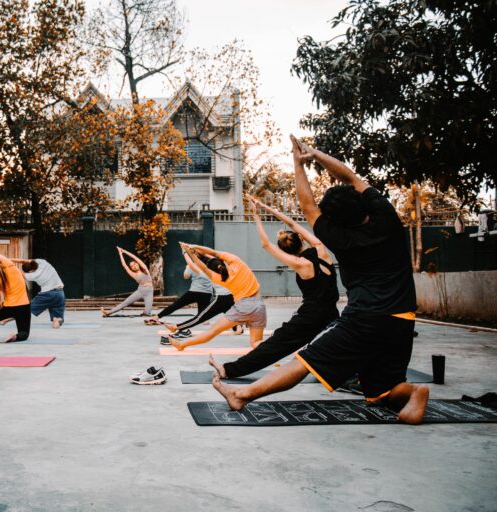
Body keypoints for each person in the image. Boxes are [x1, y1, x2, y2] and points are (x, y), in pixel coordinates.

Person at [212, 135, 428, 425]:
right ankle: (413, 392)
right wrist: (313, 155)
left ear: (337, 220)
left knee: (306, 361)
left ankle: (243, 395)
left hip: (365, 318)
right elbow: (350, 176)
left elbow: (307, 205)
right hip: (403, 318)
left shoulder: (340, 237)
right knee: (378, 393)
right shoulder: (385, 215)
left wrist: (297, 164)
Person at [209, 194, 339, 380]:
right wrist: (264, 207)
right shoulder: (321, 250)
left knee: (275, 346)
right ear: (301, 239)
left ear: (287, 252)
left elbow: (265, 244)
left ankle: (229, 370)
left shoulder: (300, 264)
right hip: (332, 315)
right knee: (336, 345)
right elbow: (292, 224)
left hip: (310, 317)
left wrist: (256, 215)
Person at [168, 243, 266, 350]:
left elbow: (203, 267)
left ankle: (182, 345)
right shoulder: (237, 262)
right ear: (223, 262)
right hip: (259, 306)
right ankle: (276, 346)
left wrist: (190, 254)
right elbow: (213, 252)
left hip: (243, 307)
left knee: (213, 331)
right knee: (256, 342)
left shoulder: (221, 279)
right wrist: (193, 246)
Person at [144, 251, 213, 325]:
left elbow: (186, 276)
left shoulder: (192, 265)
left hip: (195, 291)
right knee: (203, 312)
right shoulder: (211, 267)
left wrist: (187, 267)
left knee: (176, 305)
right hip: (207, 293)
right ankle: (204, 320)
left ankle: (156, 318)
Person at [13, 258, 66, 329]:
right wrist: (10, 259)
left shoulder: (32, 276)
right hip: (60, 293)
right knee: (57, 318)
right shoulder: (43, 262)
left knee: (25, 309)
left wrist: (7, 263)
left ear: (30, 271)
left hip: (47, 294)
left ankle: (5, 319)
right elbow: (24, 260)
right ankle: (57, 321)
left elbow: (17, 272)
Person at [101, 247, 153, 317]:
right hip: (141, 291)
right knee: (125, 303)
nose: (134, 266)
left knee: (147, 313)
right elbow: (124, 265)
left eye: (134, 264)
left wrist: (124, 251)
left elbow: (134, 257)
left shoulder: (145, 269)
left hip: (150, 291)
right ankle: (108, 312)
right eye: (132, 266)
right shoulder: (134, 274)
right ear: (131, 268)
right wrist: (120, 254)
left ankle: (145, 312)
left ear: (137, 264)